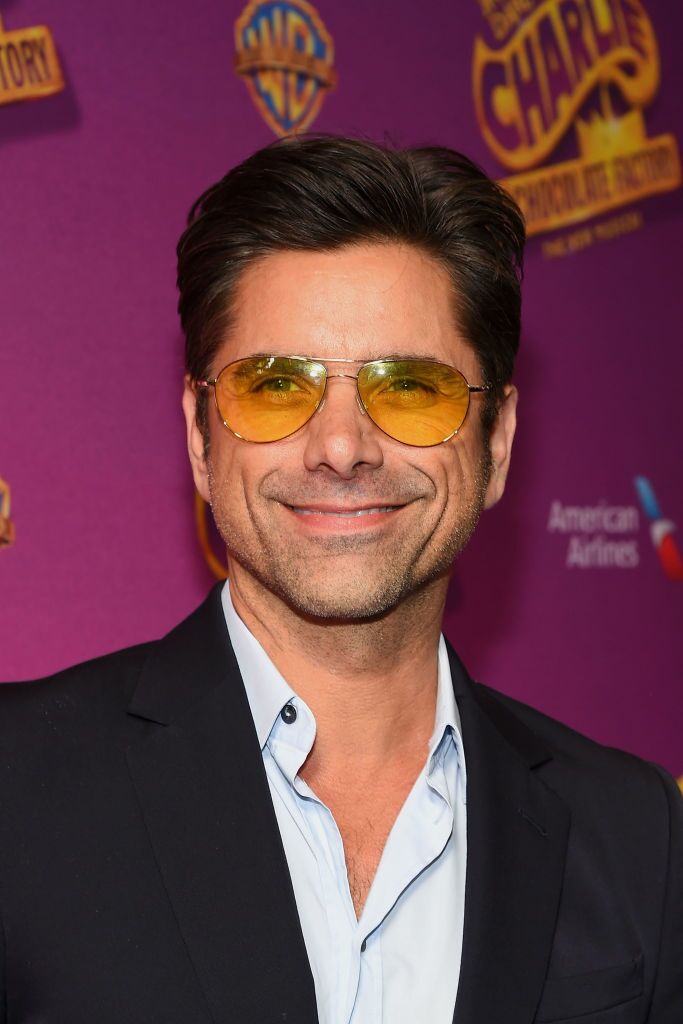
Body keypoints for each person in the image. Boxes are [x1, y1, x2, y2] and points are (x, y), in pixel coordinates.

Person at [0, 136, 680, 1024]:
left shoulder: (635, 836)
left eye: (411, 387)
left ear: (498, 440)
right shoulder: (18, 789)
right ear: (202, 440)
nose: (341, 447)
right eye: (277, 385)